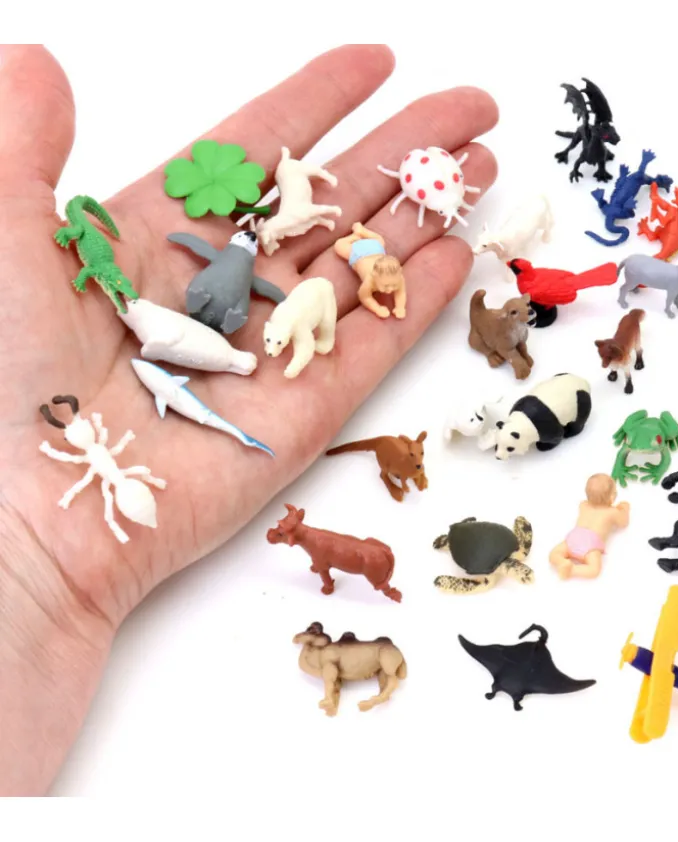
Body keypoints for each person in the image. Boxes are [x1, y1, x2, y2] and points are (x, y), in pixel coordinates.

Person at [0, 44, 497, 796]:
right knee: (221, 382)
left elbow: (204, 301)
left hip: (184, 362)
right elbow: (175, 320)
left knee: (230, 375)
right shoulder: (156, 342)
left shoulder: (195, 322)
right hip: (171, 372)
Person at [549, 474, 630, 580]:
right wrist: (624, 509)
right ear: (612, 498)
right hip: (591, 544)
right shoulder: (612, 512)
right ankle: (573, 570)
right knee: (594, 569)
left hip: (574, 537)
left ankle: (562, 562)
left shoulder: (583, 505)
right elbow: (623, 523)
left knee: (554, 554)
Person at [334, 221, 407, 319]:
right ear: (374, 275)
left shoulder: (398, 277)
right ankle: (352, 237)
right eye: (385, 286)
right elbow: (364, 296)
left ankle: (362, 231)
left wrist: (400, 307)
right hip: (359, 254)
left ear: (400, 271)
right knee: (339, 246)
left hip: (376, 249)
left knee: (380, 240)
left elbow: (401, 292)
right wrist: (377, 309)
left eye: (393, 285)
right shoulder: (369, 280)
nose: (390, 290)